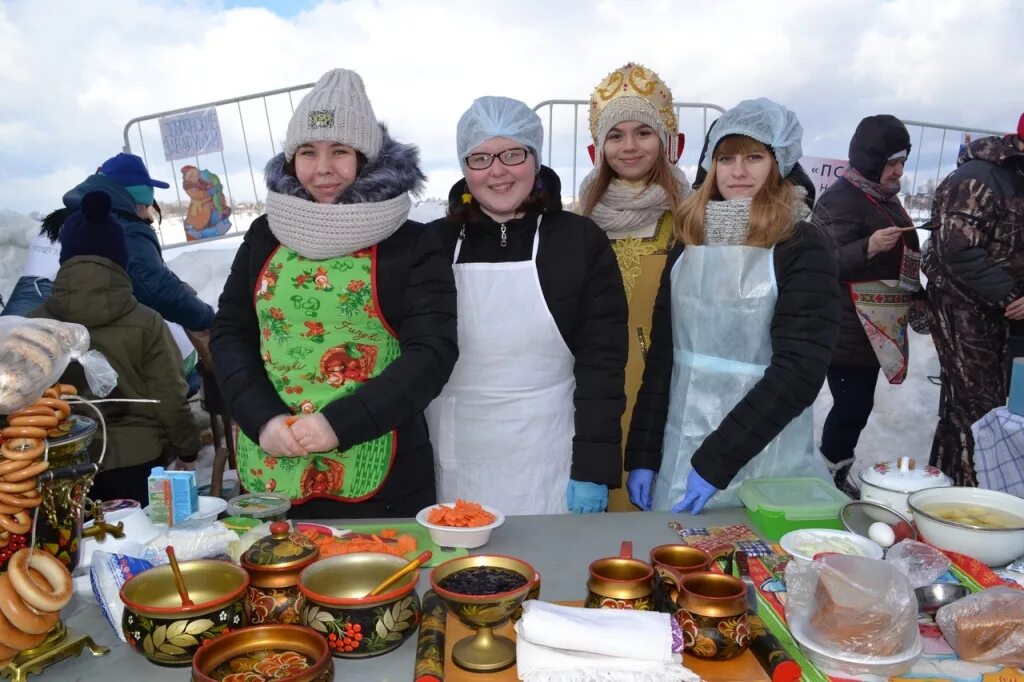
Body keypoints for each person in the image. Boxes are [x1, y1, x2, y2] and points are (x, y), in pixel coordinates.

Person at [211, 68, 457, 518]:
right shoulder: (265, 236)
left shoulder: (411, 242)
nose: (322, 169)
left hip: (383, 478)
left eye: (339, 151)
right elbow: (232, 334)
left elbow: (431, 352)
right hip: (271, 468)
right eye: (308, 152)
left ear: (366, 158)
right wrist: (261, 419)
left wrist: (337, 424)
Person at [625, 98, 840, 513]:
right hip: (680, 449)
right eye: (727, 159)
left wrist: (715, 461)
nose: (738, 172)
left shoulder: (801, 244)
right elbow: (664, 358)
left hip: (763, 454)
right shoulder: (691, 239)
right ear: (711, 165)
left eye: (754, 157)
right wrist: (644, 454)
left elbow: (799, 371)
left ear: (779, 162)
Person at [425, 96, 627, 515]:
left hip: (550, 457)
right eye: (479, 158)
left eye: (512, 154)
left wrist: (593, 466)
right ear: (464, 169)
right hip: (457, 455)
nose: (497, 171)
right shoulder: (432, 244)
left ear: (535, 159)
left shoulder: (579, 240)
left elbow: (602, 363)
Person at [30, 190, 200, 504]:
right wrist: (188, 449)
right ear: (120, 258)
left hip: (62, 469)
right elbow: (170, 396)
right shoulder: (147, 321)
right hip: (140, 464)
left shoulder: (35, 325)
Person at [577, 63, 690, 511]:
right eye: (616, 134)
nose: (629, 146)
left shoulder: (691, 220)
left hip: (664, 391)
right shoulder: (577, 224)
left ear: (667, 142)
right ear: (598, 148)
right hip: (593, 395)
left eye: (643, 132)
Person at [814, 115, 918, 495]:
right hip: (844, 328)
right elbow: (821, 262)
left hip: (871, 328)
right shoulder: (841, 199)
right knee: (851, 408)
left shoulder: (883, 199)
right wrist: (868, 247)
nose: (899, 170)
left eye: (903, 162)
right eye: (892, 163)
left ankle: (834, 471)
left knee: (856, 408)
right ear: (871, 160)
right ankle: (829, 476)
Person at [921, 113, 1024, 486]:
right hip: (964, 309)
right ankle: (969, 496)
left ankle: (951, 487)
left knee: (982, 410)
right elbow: (957, 250)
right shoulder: (978, 178)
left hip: (1005, 317)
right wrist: (1013, 295)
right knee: (979, 409)